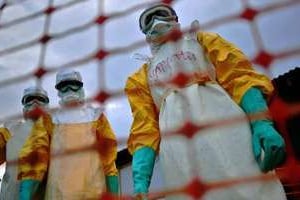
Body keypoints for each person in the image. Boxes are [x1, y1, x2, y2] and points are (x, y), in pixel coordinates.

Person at [125, 3, 286, 200]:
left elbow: (239, 77)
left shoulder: (202, 41)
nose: (156, 21)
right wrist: (140, 180)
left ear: (175, 19)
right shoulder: (140, 77)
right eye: (148, 20)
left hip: (228, 130)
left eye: (162, 14)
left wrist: (261, 121)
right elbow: (144, 128)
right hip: (178, 149)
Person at [18, 69, 119, 199]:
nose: (69, 90)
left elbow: (109, 160)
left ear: (81, 87)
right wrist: (25, 193)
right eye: (63, 87)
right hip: (59, 194)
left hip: (94, 192)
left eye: (73, 85)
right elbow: (36, 155)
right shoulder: (49, 119)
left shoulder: (96, 116)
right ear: (58, 91)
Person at [0, 86, 49, 200]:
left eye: (40, 99)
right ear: (23, 107)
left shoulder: (57, 133)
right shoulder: (10, 129)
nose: (35, 103)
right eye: (30, 99)